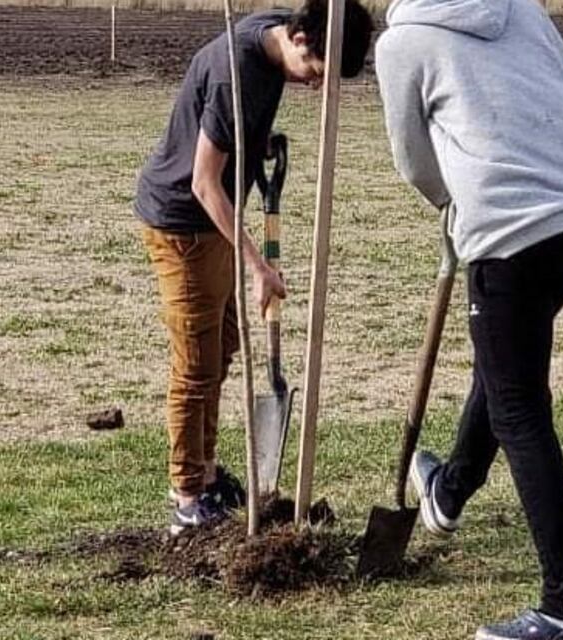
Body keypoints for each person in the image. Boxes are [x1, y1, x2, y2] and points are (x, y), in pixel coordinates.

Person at [375, 0, 563, 637]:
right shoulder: (521, 7)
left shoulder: (402, 44)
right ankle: (447, 492)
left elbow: (411, 157)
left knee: (519, 409)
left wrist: (450, 200)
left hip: (508, 235)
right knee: (505, 371)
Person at [135, 0, 373, 536]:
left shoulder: (274, 31)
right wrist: (258, 266)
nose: (316, 84)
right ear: (301, 40)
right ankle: (187, 498)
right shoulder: (236, 74)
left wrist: (258, 141)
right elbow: (204, 183)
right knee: (195, 365)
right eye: (316, 71)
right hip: (184, 222)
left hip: (212, 222)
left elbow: (230, 132)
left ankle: (207, 473)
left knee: (220, 347)